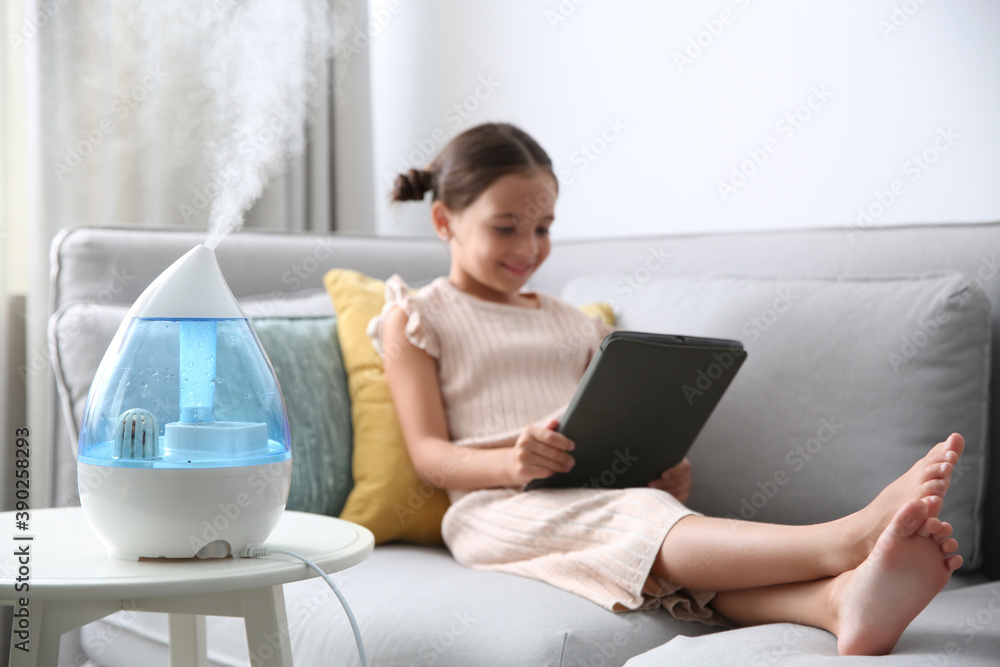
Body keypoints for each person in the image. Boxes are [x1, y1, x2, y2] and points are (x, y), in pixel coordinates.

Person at [367, 122, 964, 656]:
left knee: (647, 519)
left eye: (543, 227)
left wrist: (652, 462)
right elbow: (430, 458)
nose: (528, 248)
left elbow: (598, 421)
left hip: (591, 493)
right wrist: (511, 463)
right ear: (444, 220)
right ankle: (843, 540)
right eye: (506, 227)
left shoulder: (573, 323)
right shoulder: (418, 316)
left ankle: (837, 603)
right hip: (492, 509)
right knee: (641, 517)